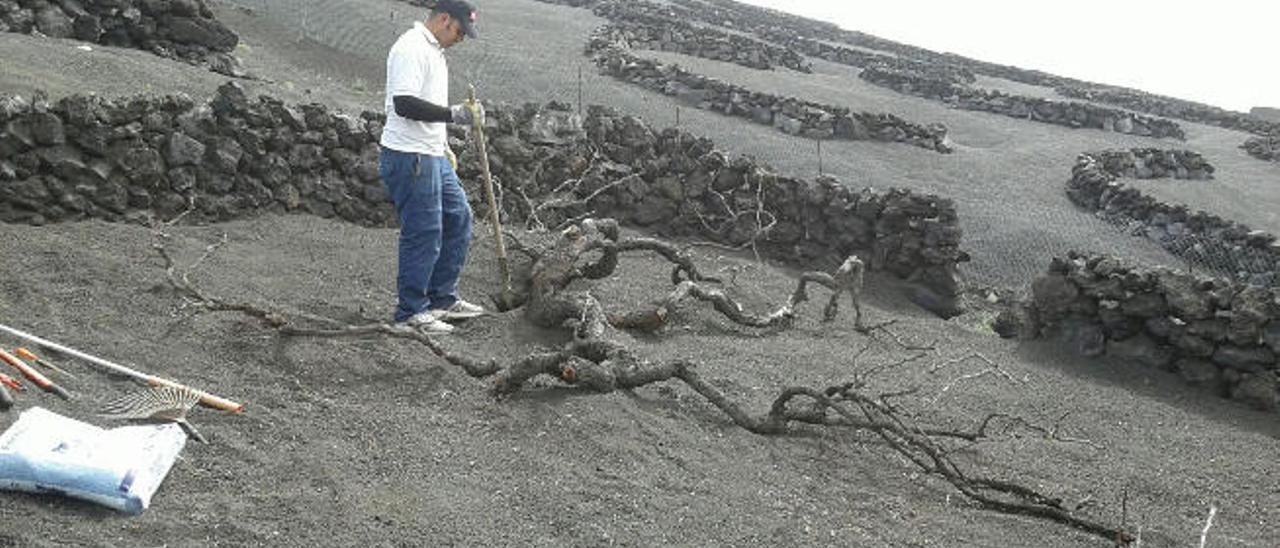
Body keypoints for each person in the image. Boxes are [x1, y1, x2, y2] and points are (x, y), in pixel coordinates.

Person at [380, 0, 485, 334]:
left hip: (431, 154)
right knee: (423, 232)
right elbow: (404, 103)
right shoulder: (411, 48)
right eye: (459, 31)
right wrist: (453, 115)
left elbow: (427, 105)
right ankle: (410, 312)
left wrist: (443, 146)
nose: (461, 39)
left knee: (459, 216)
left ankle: (442, 299)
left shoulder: (436, 52)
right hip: (410, 155)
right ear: (443, 19)